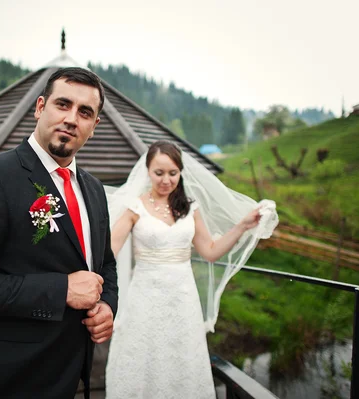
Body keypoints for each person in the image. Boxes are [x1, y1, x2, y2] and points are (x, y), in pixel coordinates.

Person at [0, 67, 118, 399]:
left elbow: (105, 264)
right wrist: (60, 289)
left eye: (85, 112)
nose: (72, 118)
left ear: (94, 127)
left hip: (75, 372)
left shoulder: (94, 190)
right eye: (63, 104)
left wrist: (107, 305)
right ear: (40, 107)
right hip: (11, 378)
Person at [104, 140, 278, 398]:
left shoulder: (189, 208)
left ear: (180, 172)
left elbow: (210, 251)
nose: (166, 180)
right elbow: (109, 252)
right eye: (159, 173)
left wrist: (242, 226)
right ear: (148, 172)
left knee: (182, 362)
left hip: (183, 300)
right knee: (145, 360)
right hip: (145, 299)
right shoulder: (135, 208)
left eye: (173, 173)